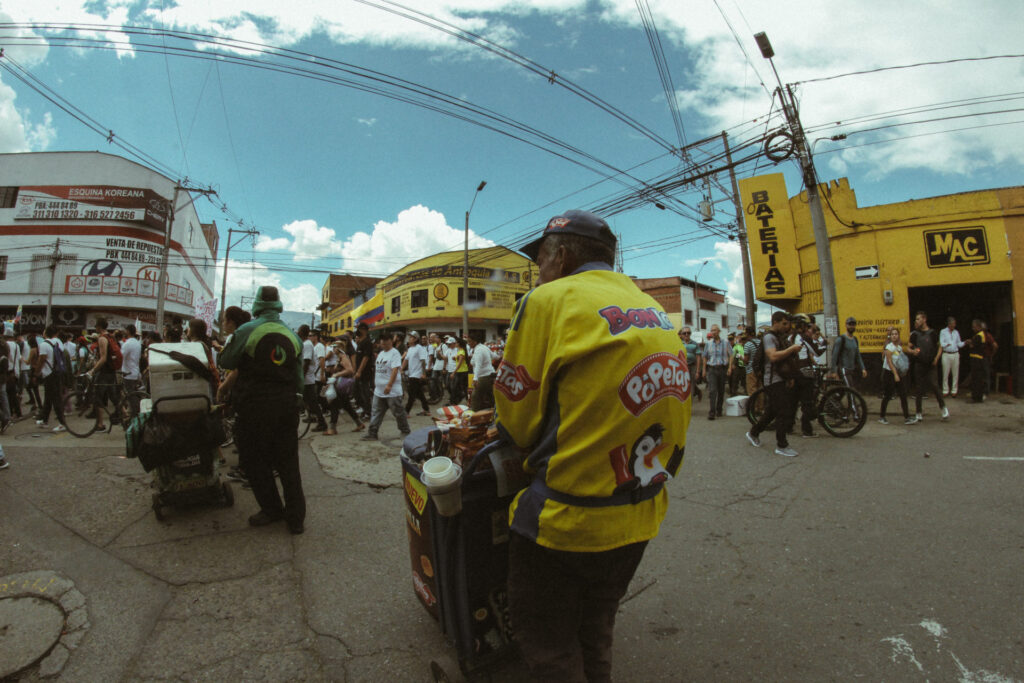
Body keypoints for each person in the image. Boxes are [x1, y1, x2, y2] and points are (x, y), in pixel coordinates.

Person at [494, 210, 691, 681]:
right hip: (640, 515)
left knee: (548, 644)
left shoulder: (548, 299)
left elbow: (516, 417)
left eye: (540, 258)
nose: (537, 270)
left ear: (560, 256)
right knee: (596, 627)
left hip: (567, 520)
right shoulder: (651, 307)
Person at [218, 286, 305, 534]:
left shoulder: (246, 330)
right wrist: (295, 402)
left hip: (254, 407)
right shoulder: (293, 335)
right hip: (286, 407)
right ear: (278, 303)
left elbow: (226, 361)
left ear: (257, 303)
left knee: (255, 461)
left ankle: (272, 509)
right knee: (288, 462)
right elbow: (299, 379)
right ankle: (296, 519)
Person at [745, 311, 801, 457]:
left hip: (780, 379)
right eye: (784, 323)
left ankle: (753, 433)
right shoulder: (769, 337)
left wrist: (789, 377)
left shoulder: (779, 337)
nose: (786, 326)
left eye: (787, 323)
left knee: (772, 412)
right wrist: (791, 349)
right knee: (784, 411)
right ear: (775, 322)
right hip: (772, 381)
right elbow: (773, 356)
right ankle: (781, 445)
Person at [361, 332, 410, 441]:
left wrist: (389, 385)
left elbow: (395, 370)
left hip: (392, 391)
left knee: (398, 412)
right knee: (376, 412)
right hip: (379, 390)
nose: (383, 343)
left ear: (391, 341)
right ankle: (372, 433)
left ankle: (405, 430)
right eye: (382, 342)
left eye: (386, 341)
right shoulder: (381, 353)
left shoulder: (395, 353)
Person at [908, 311, 948, 422]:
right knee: (919, 388)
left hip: (931, 364)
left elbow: (940, 347)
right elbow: (908, 347)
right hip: (919, 364)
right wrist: (912, 352)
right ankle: (918, 412)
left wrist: (936, 359)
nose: (916, 321)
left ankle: (943, 408)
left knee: (935, 385)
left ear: (924, 319)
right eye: (916, 319)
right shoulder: (915, 334)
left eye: (918, 319)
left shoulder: (932, 333)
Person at [88, 317, 119, 431]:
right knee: (113, 396)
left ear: (99, 327)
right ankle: (125, 415)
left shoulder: (102, 338)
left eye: (96, 326)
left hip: (104, 372)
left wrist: (93, 370)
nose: (95, 328)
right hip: (111, 370)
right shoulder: (111, 336)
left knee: (98, 398)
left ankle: (100, 424)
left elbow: (103, 358)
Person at [878, 327, 913, 425]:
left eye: (896, 334)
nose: (894, 336)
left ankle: (907, 417)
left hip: (896, 372)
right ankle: (882, 417)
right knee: (888, 395)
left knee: (903, 394)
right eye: (892, 334)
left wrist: (902, 370)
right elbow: (889, 362)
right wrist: (895, 375)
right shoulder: (889, 347)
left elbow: (899, 360)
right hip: (889, 373)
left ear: (898, 336)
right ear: (890, 336)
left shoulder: (899, 347)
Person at [298, 325, 327, 433]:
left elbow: (306, 361)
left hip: (307, 378)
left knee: (312, 402)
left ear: (302, 333)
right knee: (309, 401)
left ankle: (321, 422)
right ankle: (316, 419)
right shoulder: (306, 344)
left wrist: (301, 376)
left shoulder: (307, 345)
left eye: (299, 331)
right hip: (307, 378)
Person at [830, 316, 867, 388]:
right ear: (846, 325)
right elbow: (834, 356)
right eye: (850, 324)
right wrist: (833, 371)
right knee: (850, 390)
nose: (851, 326)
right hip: (843, 369)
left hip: (851, 369)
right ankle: (851, 400)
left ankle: (832, 399)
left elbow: (858, 356)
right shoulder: (841, 339)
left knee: (842, 391)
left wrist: (863, 368)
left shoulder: (855, 339)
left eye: (853, 325)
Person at [702, 324, 729, 420]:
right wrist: (704, 370)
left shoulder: (725, 342)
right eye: (712, 330)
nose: (713, 332)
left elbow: (731, 354)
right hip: (712, 369)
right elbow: (704, 357)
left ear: (719, 331)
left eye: (715, 330)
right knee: (712, 391)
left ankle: (719, 409)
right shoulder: (708, 343)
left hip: (722, 369)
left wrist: (729, 368)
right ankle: (712, 412)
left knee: (721, 391)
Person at [967, 319, 997, 402]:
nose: (973, 329)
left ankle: (977, 396)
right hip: (980, 358)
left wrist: (991, 355)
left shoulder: (981, 335)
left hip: (978, 359)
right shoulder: (980, 335)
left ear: (979, 327)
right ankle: (978, 395)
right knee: (978, 378)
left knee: (978, 378)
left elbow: (973, 346)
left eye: (974, 327)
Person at [403, 331, 431, 416]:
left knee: (411, 394)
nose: (409, 339)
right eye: (409, 337)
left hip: (417, 374)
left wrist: (423, 373)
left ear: (415, 339)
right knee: (419, 394)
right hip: (411, 374)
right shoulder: (410, 349)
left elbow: (423, 361)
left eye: (411, 337)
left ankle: (406, 412)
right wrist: (400, 369)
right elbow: (406, 360)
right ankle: (426, 410)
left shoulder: (420, 348)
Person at [467, 332, 495, 411]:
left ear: (475, 342)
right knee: (490, 396)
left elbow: (478, 365)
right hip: (490, 375)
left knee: (475, 396)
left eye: (469, 341)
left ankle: (475, 414)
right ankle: (493, 412)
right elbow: (494, 356)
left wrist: (475, 379)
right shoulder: (484, 347)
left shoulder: (478, 350)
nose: (468, 344)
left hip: (483, 376)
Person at [939, 316, 965, 397]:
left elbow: (959, 343)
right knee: (945, 373)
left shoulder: (956, 332)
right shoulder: (943, 332)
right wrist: (947, 344)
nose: (954, 325)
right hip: (946, 354)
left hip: (955, 354)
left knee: (955, 373)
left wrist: (965, 343)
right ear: (949, 324)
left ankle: (954, 390)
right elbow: (941, 343)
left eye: (954, 324)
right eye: (952, 324)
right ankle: (945, 390)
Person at [352, 323, 374, 417]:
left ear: (364, 330)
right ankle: (364, 409)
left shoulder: (367, 342)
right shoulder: (360, 342)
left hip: (365, 373)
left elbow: (365, 358)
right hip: (359, 372)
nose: (357, 330)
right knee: (359, 392)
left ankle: (368, 412)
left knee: (365, 393)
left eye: (359, 329)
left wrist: (359, 371)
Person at [677, 327, 703, 401]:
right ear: (681, 335)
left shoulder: (695, 344)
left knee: (691, 383)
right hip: (682, 367)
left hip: (692, 366)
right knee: (683, 383)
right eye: (684, 333)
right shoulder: (679, 344)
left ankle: (689, 402)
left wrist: (698, 371)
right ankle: (697, 391)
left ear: (690, 334)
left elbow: (698, 357)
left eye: (688, 333)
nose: (686, 334)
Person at [742, 326, 761, 397]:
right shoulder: (760, 342)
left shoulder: (747, 344)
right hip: (759, 369)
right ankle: (761, 407)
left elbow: (746, 360)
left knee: (752, 389)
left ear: (747, 334)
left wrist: (741, 358)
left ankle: (754, 407)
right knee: (760, 389)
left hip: (751, 370)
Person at [728, 330, 746, 396]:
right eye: (741, 338)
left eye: (743, 338)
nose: (741, 339)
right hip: (737, 365)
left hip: (745, 365)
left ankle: (746, 393)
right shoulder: (737, 346)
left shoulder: (746, 345)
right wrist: (732, 364)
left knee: (744, 381)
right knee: (735, 380)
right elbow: (732, 356)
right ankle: (733, 393)